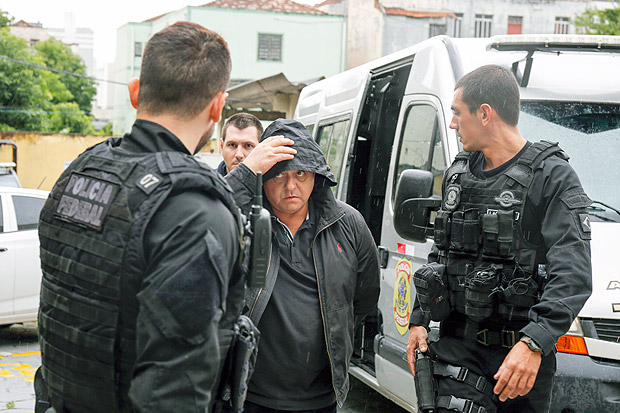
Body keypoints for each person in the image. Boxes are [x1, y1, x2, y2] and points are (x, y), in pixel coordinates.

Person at [36, 21, 245, 413]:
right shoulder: (195, 212)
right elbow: (172, 392)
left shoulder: (80, 172)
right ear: (218, 106)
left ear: (135, 92)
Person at [406, 65, 592, 412]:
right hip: (456, 345)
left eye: (457, 113)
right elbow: (442, 253)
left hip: (519, 359)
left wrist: (534, 342)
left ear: (485, 114)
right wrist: (419, 318)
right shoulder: (458, 174)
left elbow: (573, 276)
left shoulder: (551, 176)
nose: (452, 124)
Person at [224, 118, 380, 412]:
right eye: (278, 176)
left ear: (315, 176)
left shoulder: (348, 224)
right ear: (262, 178)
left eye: (300, 173)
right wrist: (243, 175)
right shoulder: (240, 221)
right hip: (251, 396)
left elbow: (364, 297)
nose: (291, 186)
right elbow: (198, 218)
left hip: (322, 398)